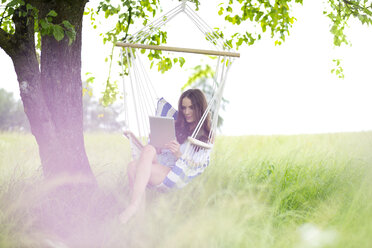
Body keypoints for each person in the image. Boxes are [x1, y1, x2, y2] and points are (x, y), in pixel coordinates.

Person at [119, 89, 211, 223]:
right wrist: (157, 142)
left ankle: (135, 209)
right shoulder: (176, 125)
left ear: (199, 107)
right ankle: (138, 216)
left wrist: (178, 154)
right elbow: (158, 151)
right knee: (148, 149)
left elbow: (195, 165)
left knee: (133, 167)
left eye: (191, 107)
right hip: (158, 160)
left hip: (173, 171)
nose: (186, 112)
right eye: (184, 108)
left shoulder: (205, 136)